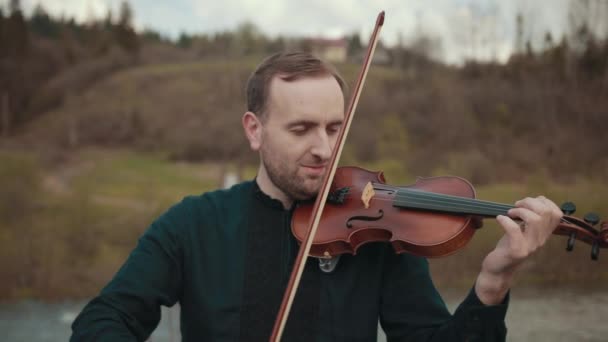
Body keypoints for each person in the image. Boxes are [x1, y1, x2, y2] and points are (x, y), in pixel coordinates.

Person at [70, 52, 563, 341]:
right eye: (302, 129)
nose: (324, 149)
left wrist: (492, 285)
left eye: (334, 127)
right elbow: (104, 320)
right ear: (254, 130)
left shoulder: (377, 234)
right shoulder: (193, 225)